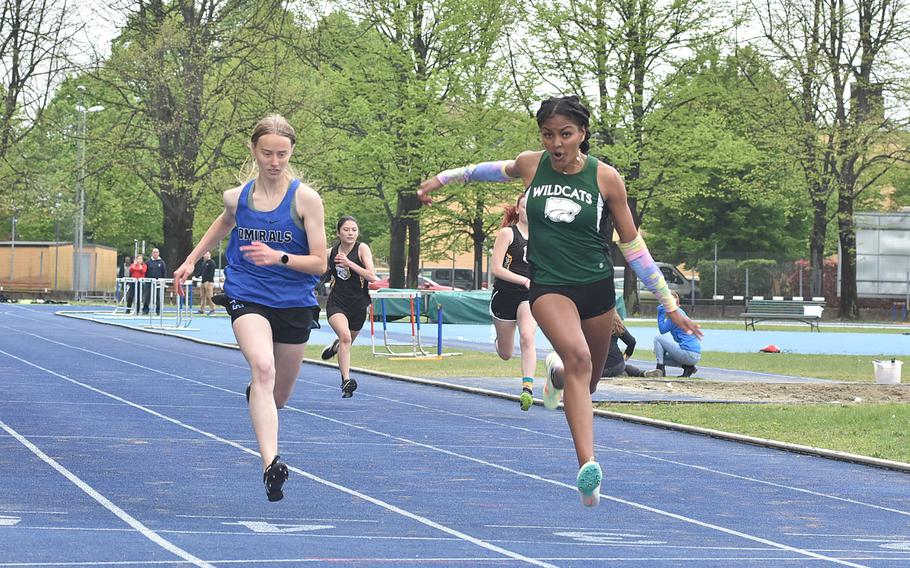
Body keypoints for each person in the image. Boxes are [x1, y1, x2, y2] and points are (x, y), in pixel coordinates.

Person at [418, 95, 701, 507]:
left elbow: (633, 246)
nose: (556, 143)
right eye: (548, 135)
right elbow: (493, 171)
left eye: (565, 134)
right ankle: (588, 468)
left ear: (582, 134)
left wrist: (669, 302)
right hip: (549, 286)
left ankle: (557, 376)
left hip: (597, 287)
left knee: (588, 380)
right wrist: (443, 178)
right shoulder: (532, 165)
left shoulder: (606, 179)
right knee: (580, 359)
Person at [172, 114, 326, 502]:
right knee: (263, 367)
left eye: (282, 154)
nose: (274, 162)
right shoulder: (237, 197)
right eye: (267, 153)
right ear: (253, 151)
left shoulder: (306, 199)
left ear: (291, 153)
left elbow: (320, 264)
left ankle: (260, 397)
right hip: (248, 294)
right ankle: (271, 463)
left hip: (294, 300)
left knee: (279, 394)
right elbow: (224, 223)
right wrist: (192, 260)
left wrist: (280, 258)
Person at [319, 216, 378, 398]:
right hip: (337, 302)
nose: (350, 233)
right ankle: (346, 381)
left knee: (346, 341)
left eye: (354, 229)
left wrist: (349, 263)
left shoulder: (362, 249)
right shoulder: (330, 252)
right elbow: (318, 269)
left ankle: (336, 346)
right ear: (338, 232)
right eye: (346, 229)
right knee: (345, 337)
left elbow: (372, 277)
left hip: (359, 304)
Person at [489, 194, 538, 411]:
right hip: (505, 295)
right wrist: (522, 279)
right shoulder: (508, 233)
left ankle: (527, 389)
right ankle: (498, 340)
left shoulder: (543, 236)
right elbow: (496, 269)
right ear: (518, 210)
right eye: (525, 207)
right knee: (506, 353)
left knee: (527, 336)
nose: (529, 211)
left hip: (528, 296)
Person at [651, 290, 701, 377]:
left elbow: (662, 330)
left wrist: (660, 314)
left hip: (688, 353)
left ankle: (660, 369)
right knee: (659, 353)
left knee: (657, 339)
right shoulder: (679, 311)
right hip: (694, 354)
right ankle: (688, 367)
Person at [143, 247, 167, 315]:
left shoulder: (162, 262)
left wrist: (163, 281)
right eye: (154, 252)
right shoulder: (148, 262)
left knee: (158, 297)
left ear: (158, 253)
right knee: (147, 296)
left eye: (156, 252)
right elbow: (145, 272)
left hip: (158, 282)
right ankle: (145, 310)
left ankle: (158, 311)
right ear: (152, 253)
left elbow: (164, 272)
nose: (155, 254)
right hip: (149, 282)